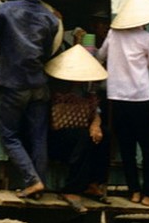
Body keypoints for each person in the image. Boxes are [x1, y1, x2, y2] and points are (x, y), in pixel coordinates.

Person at [0, 0, 61, 199]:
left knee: (9, 134)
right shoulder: (50, 19)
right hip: (39, 84)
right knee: (38, 136)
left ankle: (31, 180)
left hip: (14, 83)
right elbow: (46, 53)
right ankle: (40, 185)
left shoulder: (6, 9)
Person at [97, 0, 149, 211]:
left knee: (127, 146)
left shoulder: (113, 34)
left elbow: (101, 57)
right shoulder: (147, 38)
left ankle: (134, 192)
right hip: (139, 96)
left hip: (117, 97)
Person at [44, 44, 109, 212]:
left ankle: (94, 183)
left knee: (105, 134)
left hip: (78, 138)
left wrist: (96, 125)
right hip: (55, 140)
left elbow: (96, 112)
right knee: (82, 136)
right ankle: (71, 189)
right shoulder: (54, 87)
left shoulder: (87, 91)